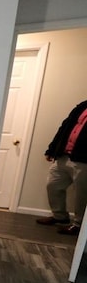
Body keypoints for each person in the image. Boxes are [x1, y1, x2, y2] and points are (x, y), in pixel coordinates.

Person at [36, 99, 87, 235]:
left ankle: (78, 224)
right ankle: (60, 217)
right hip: (63, 155)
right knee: (53, 185)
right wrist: (51, 149)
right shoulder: (82, 105)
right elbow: (64, 127)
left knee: (82, 194)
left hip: (83, 160)